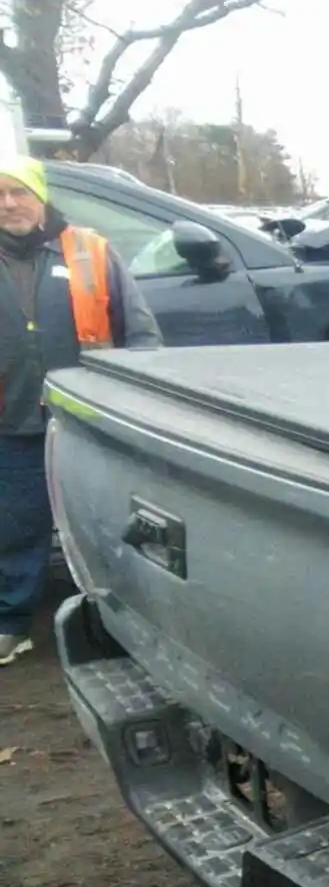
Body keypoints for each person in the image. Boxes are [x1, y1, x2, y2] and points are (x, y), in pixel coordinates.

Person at [0, 154, 160, 666]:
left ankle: (118, 621)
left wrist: (138, 403)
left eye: (19, 191)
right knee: (15, 525)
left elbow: (140, 333)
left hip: (88, 420)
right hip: (11, 420)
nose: (9, 204)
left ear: (41, 195)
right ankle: (11, 622)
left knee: (102, 519)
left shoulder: (91, 250)